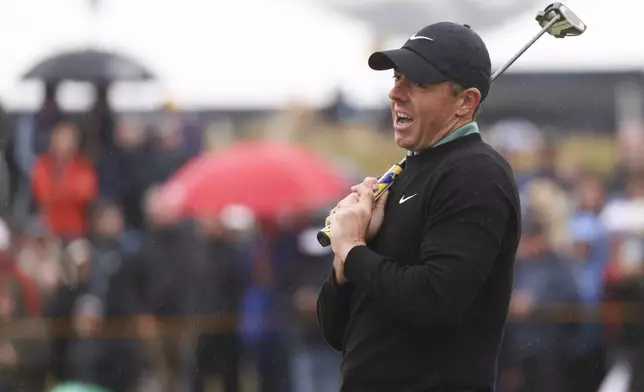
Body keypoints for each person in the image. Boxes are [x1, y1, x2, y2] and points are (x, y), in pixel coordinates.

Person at [317, 22, 521, 391]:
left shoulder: (475, 172)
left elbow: (435, 301)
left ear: (466, 101)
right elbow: (339, 332)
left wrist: (352, 249)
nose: (396, 93)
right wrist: (344, 262)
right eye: (397, 78)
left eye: (418, 83)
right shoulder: (405, 174)